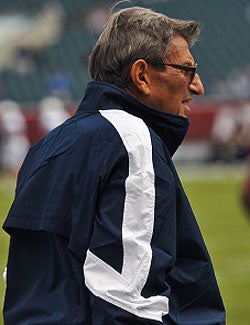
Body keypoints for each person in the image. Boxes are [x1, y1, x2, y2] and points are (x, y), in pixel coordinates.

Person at [2, 6, 226, 325]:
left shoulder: (46, 147)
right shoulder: (132, 139)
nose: (197, 86)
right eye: (187, 70)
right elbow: (127, 299)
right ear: (142, 75)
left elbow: (26, 282)